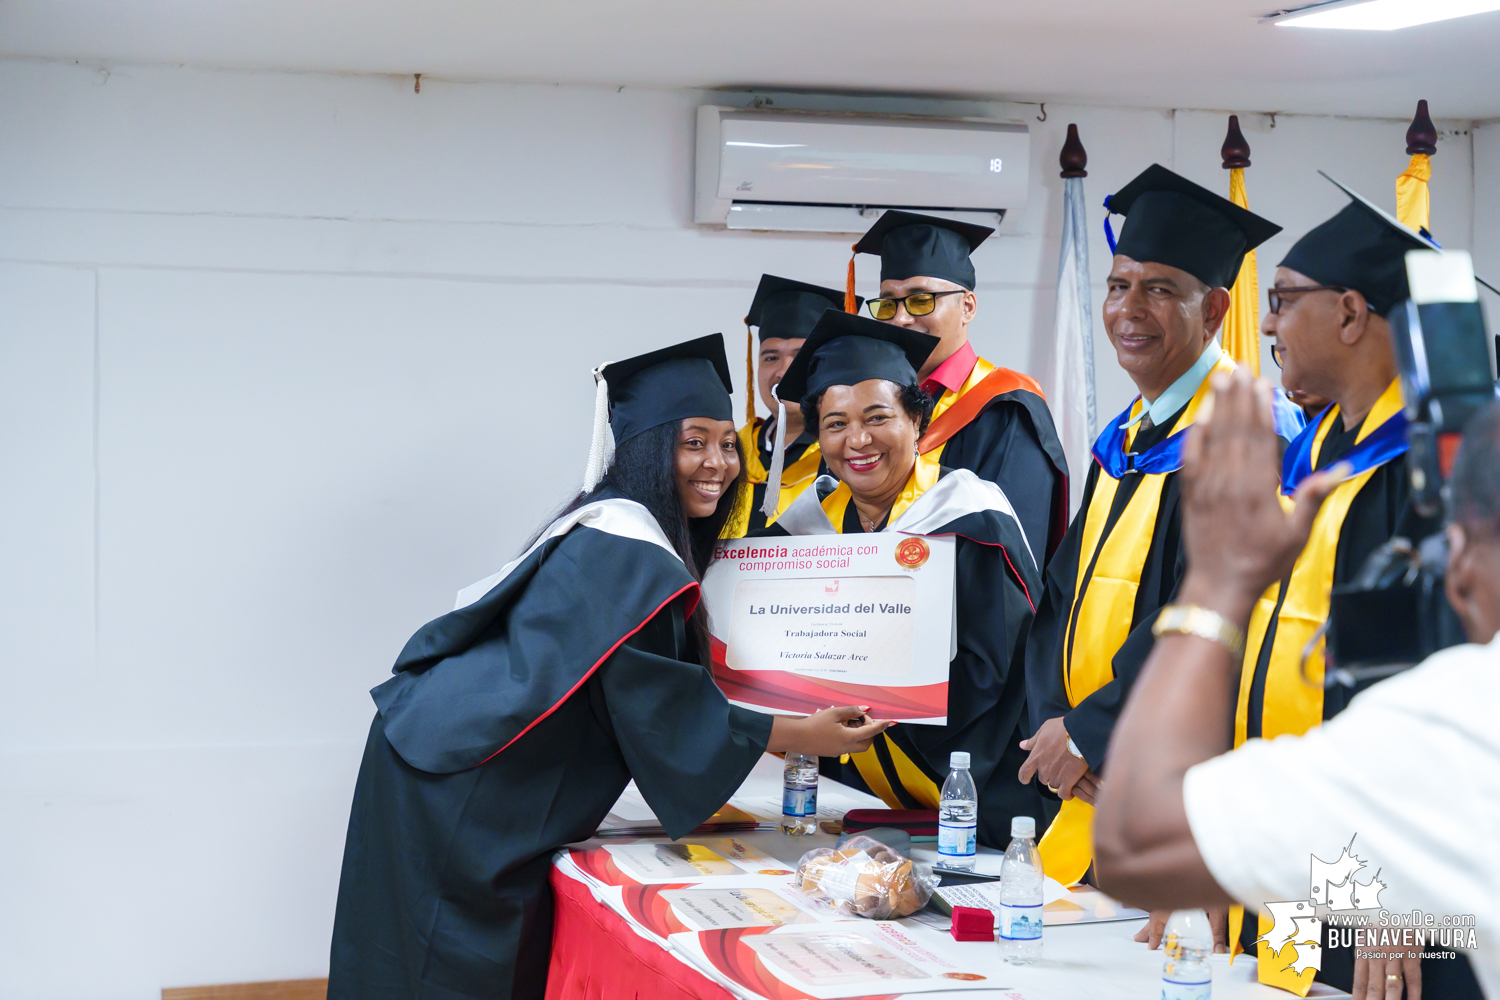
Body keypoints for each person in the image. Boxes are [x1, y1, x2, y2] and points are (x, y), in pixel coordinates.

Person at [327, 334, 891, 1000]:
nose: (717, 463)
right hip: (459, 787)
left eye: (726, 443)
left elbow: (648, 690)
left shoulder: (611, 529)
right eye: (694, 443)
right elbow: (664, 706)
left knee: (415, 963)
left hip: (438, 757)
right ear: (652, 450)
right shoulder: (628, 552)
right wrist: (806, 734)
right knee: (444, 968)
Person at [1093, 369, 1500, 1000]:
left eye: (1287, 299)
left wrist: (1218, 584)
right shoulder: (1314, 453)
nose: (1273, 326)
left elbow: (1137, 841)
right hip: (1315, 858)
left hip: (1339, 859)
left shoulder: (1464, 716)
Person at [1021, 164, 1297, 891]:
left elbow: (1210, 607)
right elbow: (1061, 594)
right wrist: (1057, 727)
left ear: (1212, 312)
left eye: (1159, 289)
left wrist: (1090, 732)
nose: (1129, 308)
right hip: (1089, 788)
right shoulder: (1128, 434)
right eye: (1118, 286)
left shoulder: (1246, 432)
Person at [1237, 179, 1475, 995]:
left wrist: (1394, 898)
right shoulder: (1327, 458)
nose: (1266, 322)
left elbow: (1438, 702)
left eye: (1281, 299)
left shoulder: (1437, 471)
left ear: (1347, 313)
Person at [753, 309, 1044, 848]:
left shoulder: (970, 515)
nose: (857, 440)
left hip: (972, 797)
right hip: (853, 796)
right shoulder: (800, 531)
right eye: (836, 424)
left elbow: (997, 668)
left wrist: (872, 708)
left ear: (917, 421)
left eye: (878, 417)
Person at [847, 210, 1070, 561]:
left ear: (967, 306)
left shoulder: (1007, 409)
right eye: (887, 303)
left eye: (921, 299)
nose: (901, 318)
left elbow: (1013, 553)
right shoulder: (868, 412)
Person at [727, 274, 857, 535]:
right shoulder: (733, 451)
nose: (783, 371)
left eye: (800, 356)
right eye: (771, 357)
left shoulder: (853, 453)